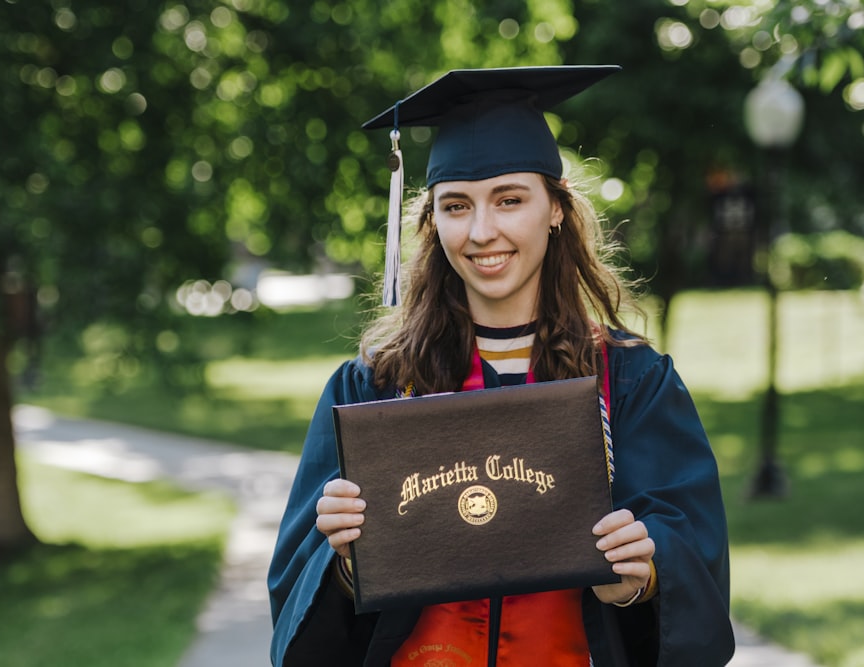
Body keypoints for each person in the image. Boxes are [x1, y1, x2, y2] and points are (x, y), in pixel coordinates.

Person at [268, 65, 734, 667]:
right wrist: (342, 566)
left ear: (556, 209)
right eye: (456, 206)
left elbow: (694, 558)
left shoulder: (632, 382)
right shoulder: (373, 388)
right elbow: (297, 613)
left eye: (509, 200)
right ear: (432, 222)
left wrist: (644, 575)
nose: (482, 232)